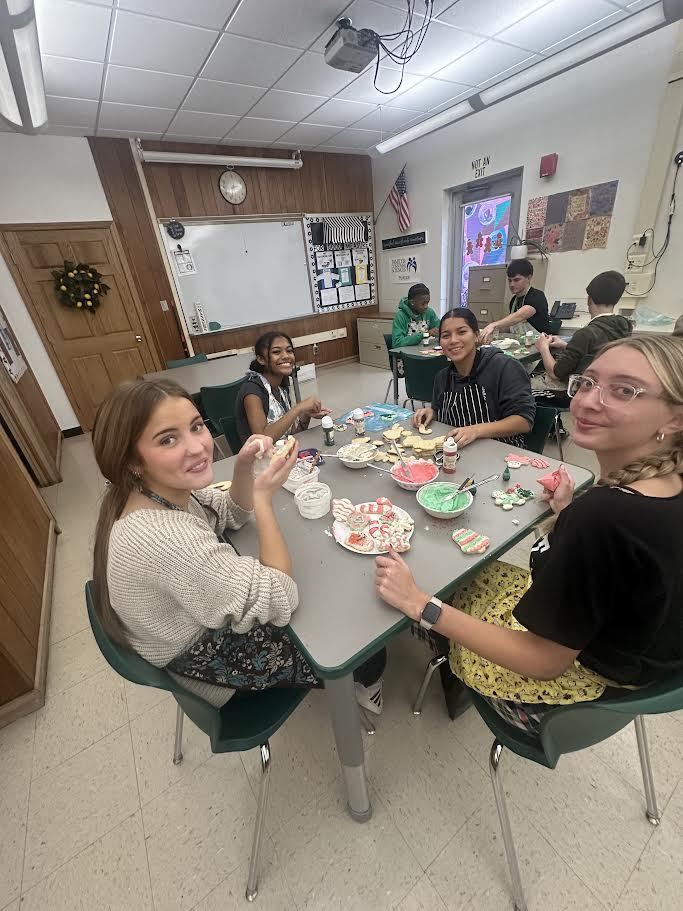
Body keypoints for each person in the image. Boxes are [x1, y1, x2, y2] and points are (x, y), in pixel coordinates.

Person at [376, 335, 683, 734]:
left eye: (624, 391)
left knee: (436, 590)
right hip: (634, 658)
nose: (588, 401)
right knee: (472, 575)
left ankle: (452, 667)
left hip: (584, 689)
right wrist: (566, 513)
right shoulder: (661, 486)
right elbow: (624, 568)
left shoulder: (603, 517)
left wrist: (420, 604)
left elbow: (544, 662)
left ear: (675, 418)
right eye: (587, 382)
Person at [91, 378, 385, 712]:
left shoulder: (157, 491)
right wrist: (263, 498)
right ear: (132, 462)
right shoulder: (165, 540)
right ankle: (367, 687)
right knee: (362, 642)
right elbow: (281, 594)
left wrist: (244, 467)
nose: (198, 447)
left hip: (193, 622)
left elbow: (230, 513)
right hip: (206, 665)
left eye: (196, 427)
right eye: (168, 439)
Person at [412, 308, 536, 448]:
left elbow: (524, 421)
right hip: (457, 451)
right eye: (446, 335)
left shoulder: (504, 367)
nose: (453, 340)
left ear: (476, 335)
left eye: (462, 332)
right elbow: (438, 410)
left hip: (502, 451)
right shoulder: (442, 378)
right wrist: (431, 412)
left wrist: (476, 430)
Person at [533, 270, 631, 407]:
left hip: (573, 392)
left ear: (589, 299)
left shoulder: (586, 333)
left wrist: (543, 347)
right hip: (604, 391)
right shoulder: (623, 327)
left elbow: (555, 373)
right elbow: (596, 353)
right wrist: (566, 346)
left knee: (524, 388)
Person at [234, 331, 330, 447]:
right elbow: (262, 441)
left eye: (289, 351)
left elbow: (291, 437)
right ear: (261, 359)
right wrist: (298, 408)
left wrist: (306, 415)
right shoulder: (252, 392)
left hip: (282, 456)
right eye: (276, 352)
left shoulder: (282, 386)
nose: (286, 356)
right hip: (260, 461)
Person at [480, 259, 550, 342]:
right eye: (510, 280)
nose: (512, 284)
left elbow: (519, 316)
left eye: (516, 280)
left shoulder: (537, 296)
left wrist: (494, 325)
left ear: (529, 278)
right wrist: (491, 332)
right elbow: (512, 326)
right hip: (521, 344)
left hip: (541, 346)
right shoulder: (514, 301)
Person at [391, 283, 440, 348]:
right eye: (423, 304)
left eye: (427, 303)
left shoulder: (429, 312)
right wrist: (424, 335)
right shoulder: (400, 316)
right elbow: (397, 343)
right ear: (412, 302)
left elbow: (439, 328)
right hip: (407, 355)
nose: (426, 306)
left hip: (425, 352)